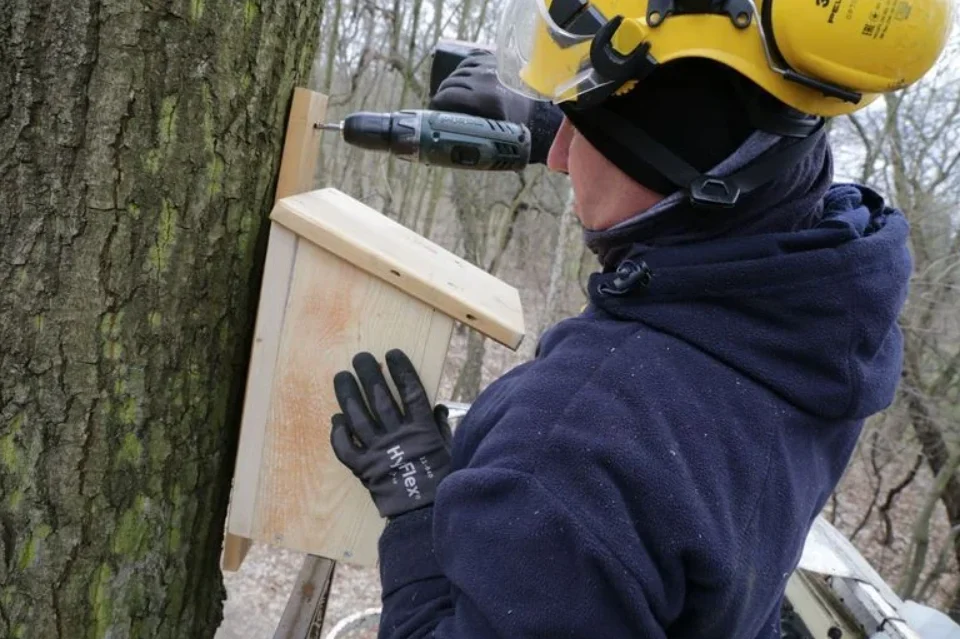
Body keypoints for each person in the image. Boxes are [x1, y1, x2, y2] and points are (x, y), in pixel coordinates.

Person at [327, 0, 953, 637]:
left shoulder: (568, 454)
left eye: (582, 129)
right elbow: (729, 147)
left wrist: (416, 509)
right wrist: (571, 120)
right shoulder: (832, 301)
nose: (558, 157)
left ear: (673, 156)